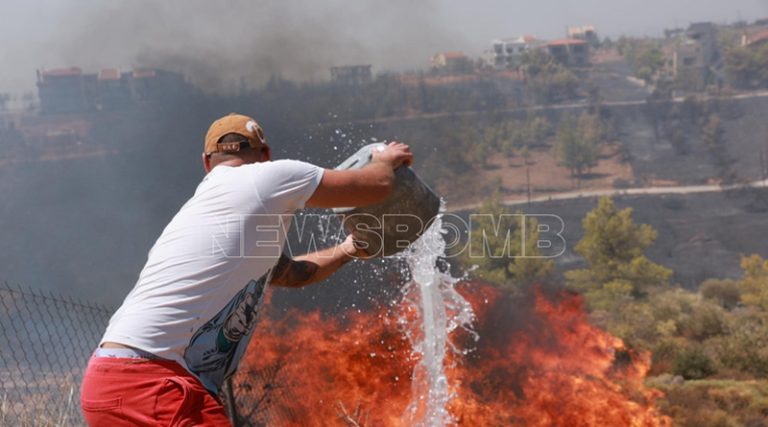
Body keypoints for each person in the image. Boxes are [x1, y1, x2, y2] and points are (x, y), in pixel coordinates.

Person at [80, 113, 413, 426]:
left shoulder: (207, 209)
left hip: (106, 382)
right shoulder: (269, 176)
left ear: (206, 163)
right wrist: (386, 159)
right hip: (154, 382)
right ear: (265, 153)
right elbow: (377, 185)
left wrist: (348, 249)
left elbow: (292, 274)